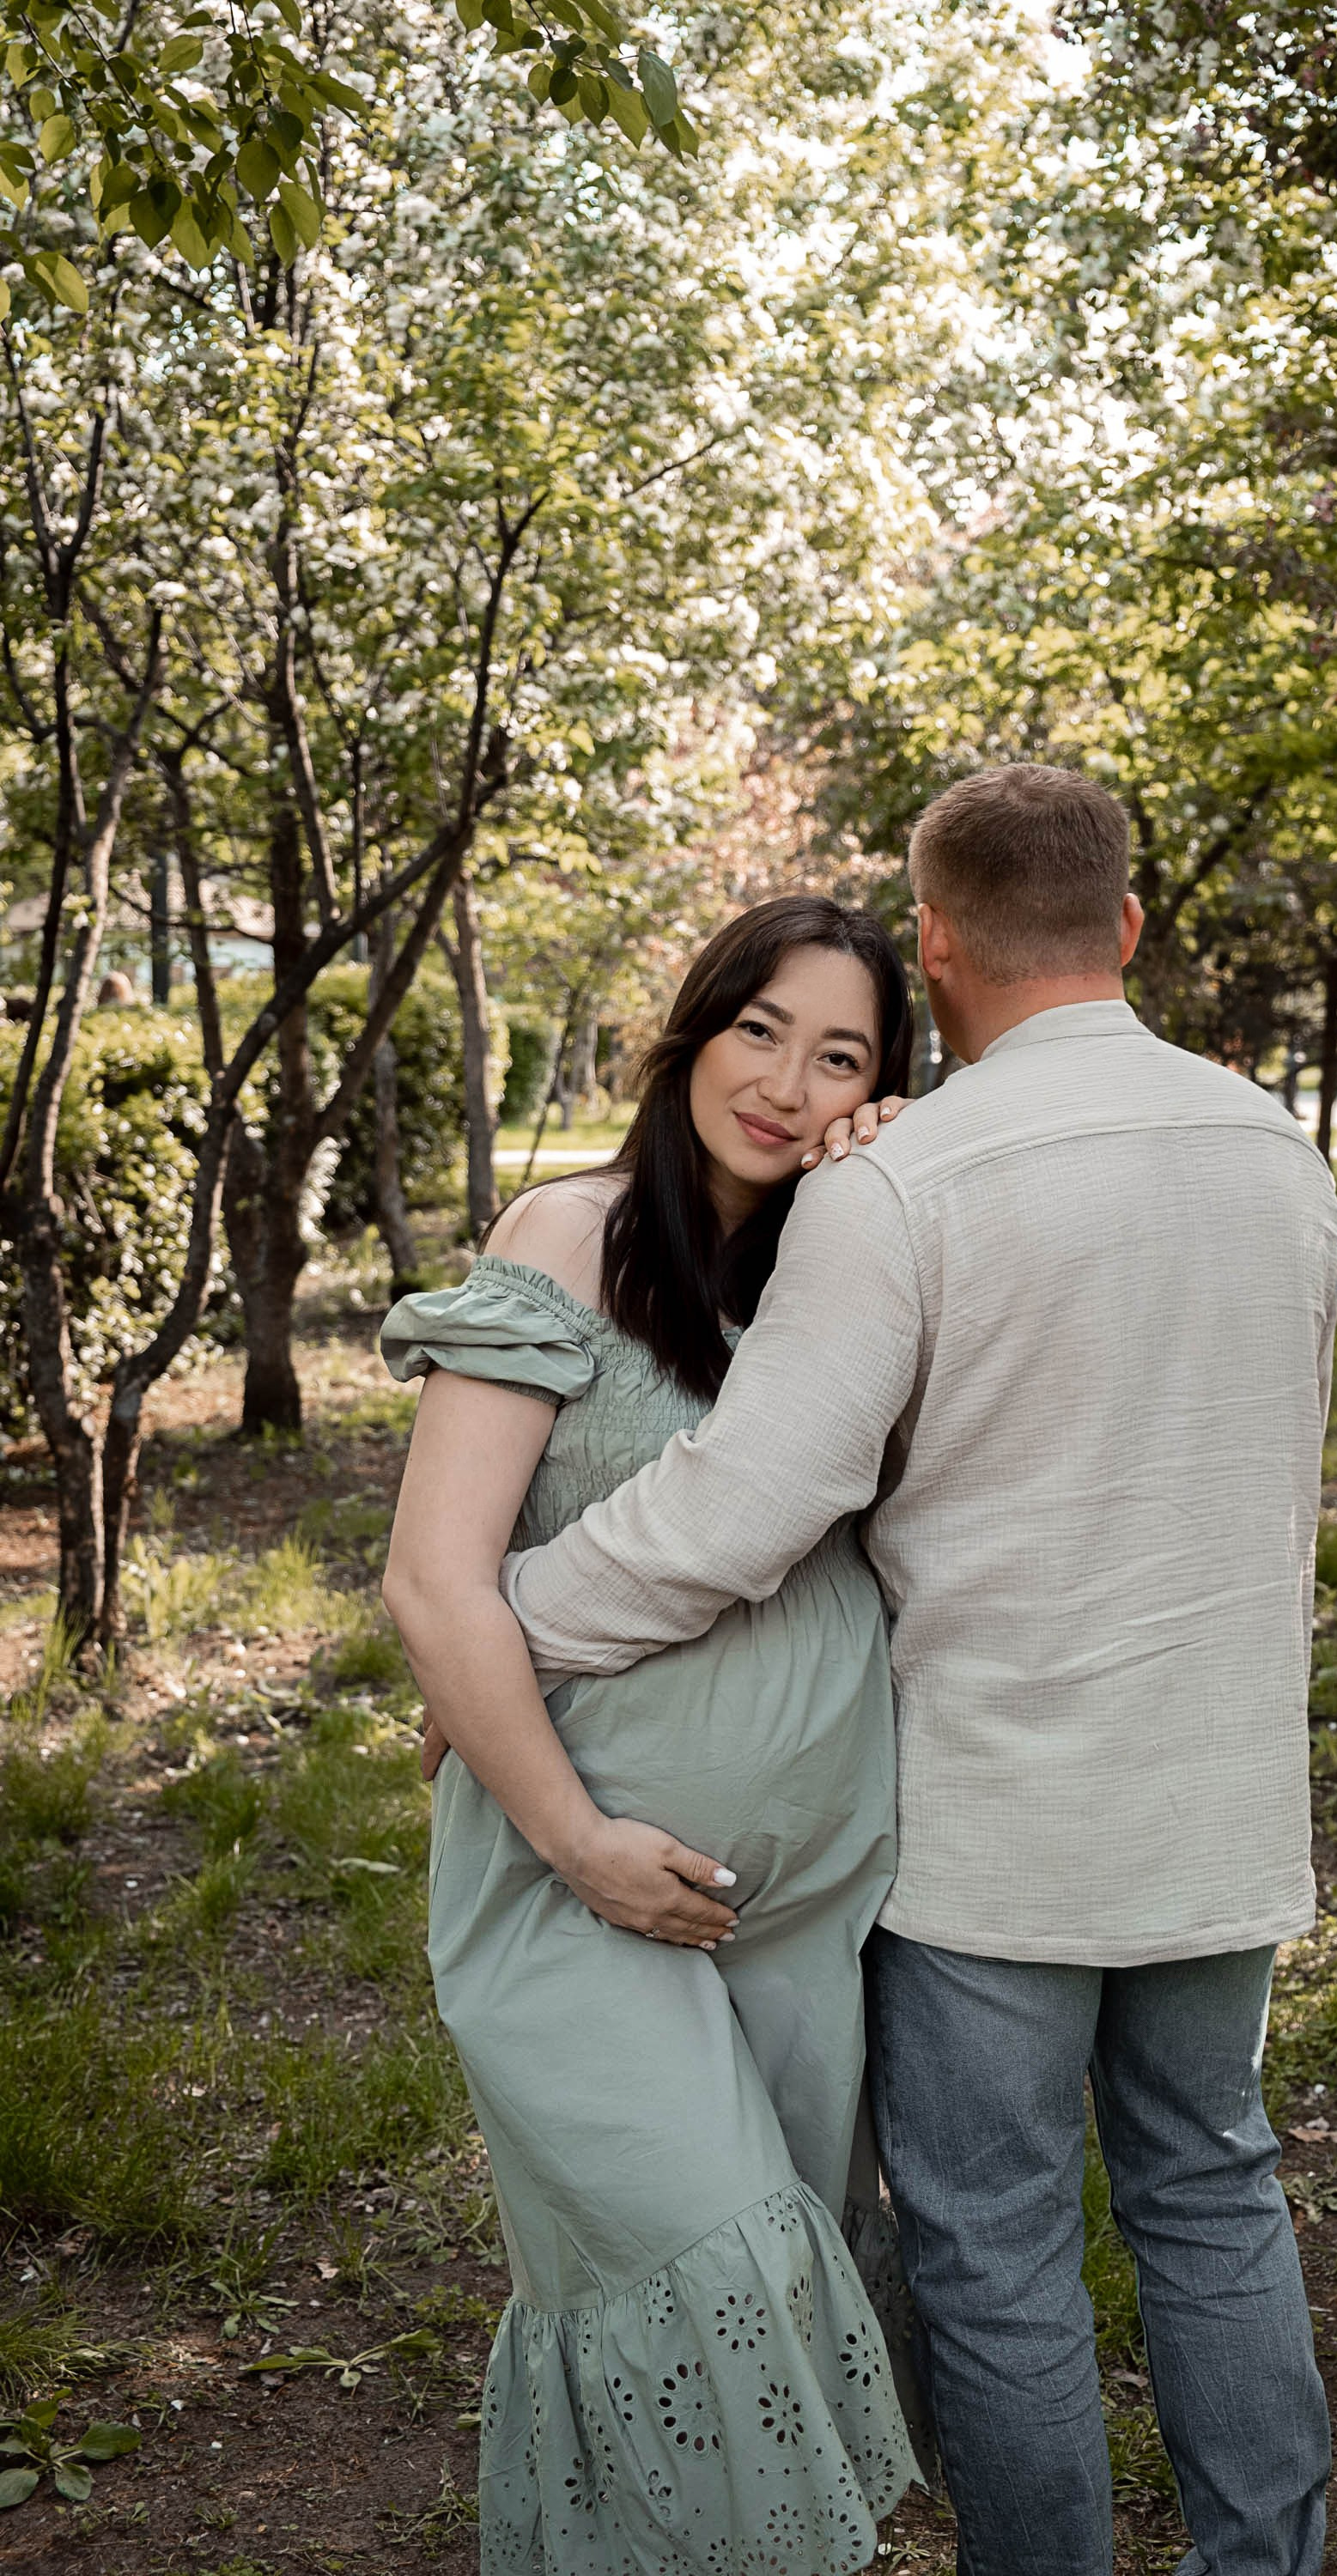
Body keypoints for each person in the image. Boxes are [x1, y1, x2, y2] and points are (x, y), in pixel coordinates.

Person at [495, 764, 1337, 2576]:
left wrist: (517, 1627)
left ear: (934, 945)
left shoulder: (914, 1183)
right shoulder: (1280, 1154)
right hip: (1214, 1791)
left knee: (995, 2240)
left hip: (987, 1831)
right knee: (1213, 2189)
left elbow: (743, 1505)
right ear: (1126, 927)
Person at [380, 896, 923, 2576]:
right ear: (693, 1027)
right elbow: (431, 1579)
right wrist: (577, 1840)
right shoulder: (566, 1233)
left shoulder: (854, 1253)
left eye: (841, 1053)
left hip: (796, 1906)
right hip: (574, 1877)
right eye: (761, 1027)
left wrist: (900, 1178)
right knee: (709, 2275)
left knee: (756, 2283)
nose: (786, 1080)